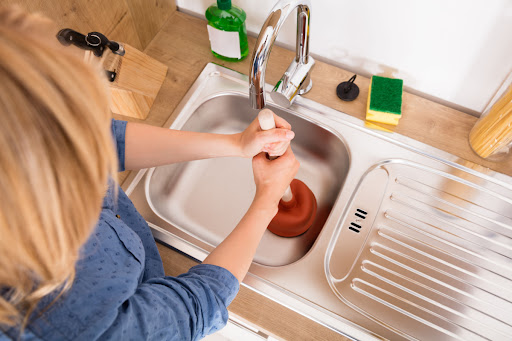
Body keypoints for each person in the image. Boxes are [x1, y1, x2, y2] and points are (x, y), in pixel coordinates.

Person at [0, 7, 299, 341]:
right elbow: (192, 309)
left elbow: (103, 139)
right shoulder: (55, 318)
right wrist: (267, 200)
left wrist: (236, 144)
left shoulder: (26, 137)